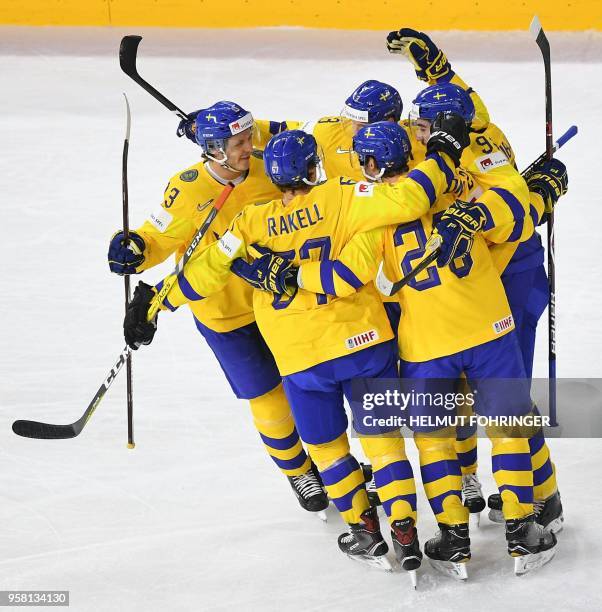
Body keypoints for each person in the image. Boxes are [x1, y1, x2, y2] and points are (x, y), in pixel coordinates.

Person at [120, 117, 469, 578]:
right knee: (383, 443)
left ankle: (365, 531)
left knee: (326, 449)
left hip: (301, 355)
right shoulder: (348, 194)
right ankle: (405, 527)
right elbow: (399, 208)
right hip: (365, 341)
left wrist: (157, 301)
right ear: (314, 168)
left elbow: (205, 270)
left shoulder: (250, 221)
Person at [248, 121, 566, 578]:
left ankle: (454, 539)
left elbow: (345, 279)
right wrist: (541, 194)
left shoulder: (371, 217)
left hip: (425, 347)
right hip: (489, 329)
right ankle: (522, 529)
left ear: (371, 164)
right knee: (510, 428)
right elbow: (512, 226)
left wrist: (285, 273)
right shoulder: (457, 187)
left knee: (434, 442)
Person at [108, 101, 329, 516]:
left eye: (249, 138)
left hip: (280, 301)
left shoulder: (272, 166)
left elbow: (314, 136)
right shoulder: (188, 187)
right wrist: (135, 248)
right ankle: (298, 471)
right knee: (267, 396)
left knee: (308, 385)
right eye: (239, 143)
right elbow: (157, 234)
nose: (250, 147)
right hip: (224, 313)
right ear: (211, 148)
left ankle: (333, 465)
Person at [387, 27, 563, 530]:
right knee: (458, 394)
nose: (415, 132)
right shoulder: (438, 146)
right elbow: (463, 107)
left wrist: (535, 200)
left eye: (423, 126)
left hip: (512, 280)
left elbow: (514, 208)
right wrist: (435, 67)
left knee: (508, 405)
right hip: (465, 294)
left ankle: (542, 496)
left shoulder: (482, 147)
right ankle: (468, 480)